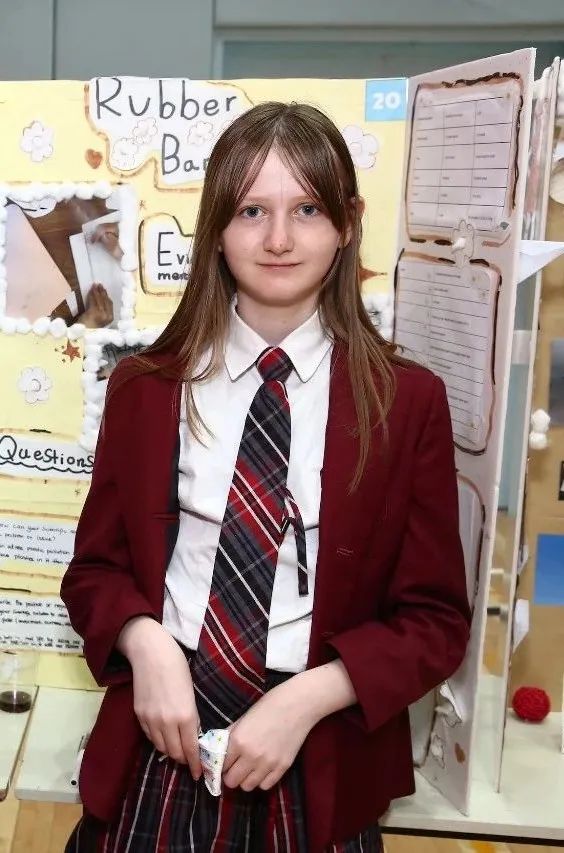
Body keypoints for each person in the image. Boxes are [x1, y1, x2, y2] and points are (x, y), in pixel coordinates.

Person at [61, 101, 471, 853]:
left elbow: (435, 621)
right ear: (217, 228)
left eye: (306, 209)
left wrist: (310, 697)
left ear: (346, 224)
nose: (279, 238)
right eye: (252, 210)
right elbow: (93, 573)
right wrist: (144, 641)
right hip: (164, 741)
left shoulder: (406, 401)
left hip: (318, 755)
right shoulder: (146, 388)